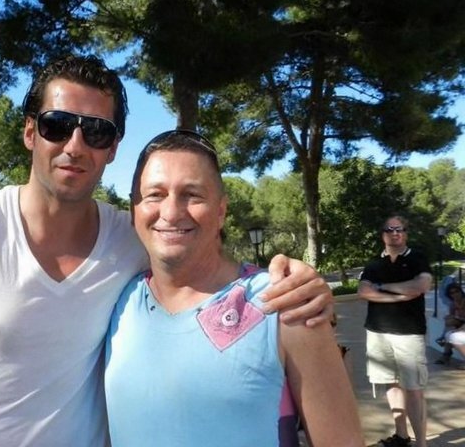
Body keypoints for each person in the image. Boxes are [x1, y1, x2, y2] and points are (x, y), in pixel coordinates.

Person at [0, 55, 334, 447]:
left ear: (112, 148)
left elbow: (204, 265)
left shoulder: (133, 238)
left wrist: (296, 283)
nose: (75, 145)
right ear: (30, 132)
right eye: (57, 125)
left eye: (96, 132)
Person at [104, 130, 363, 446]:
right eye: (155, 195)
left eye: (192, 195)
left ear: (221, 211)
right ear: (134, 210)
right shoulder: (117, 301)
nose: (171, 213)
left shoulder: (285, 302)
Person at [358, 216, 432, 447]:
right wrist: (399, 296)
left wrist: (382, 287)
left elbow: (421, 285)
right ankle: (401, 436)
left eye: (399, 229)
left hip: (409, 334)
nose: (395, 233)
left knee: (414, 389)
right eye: (389, 229)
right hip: (377, 332)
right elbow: (363, 291)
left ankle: (421, 443)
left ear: (406, 233)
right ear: (383, 234)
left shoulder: (417, 258)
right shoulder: (373, 265)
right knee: (390, 383)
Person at [434, 279, 465, 365]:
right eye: (452, 293)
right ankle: (446, 352)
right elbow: (452, 315)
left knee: (451, 333)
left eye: (457, 291)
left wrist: (460, 329)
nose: (455, 294)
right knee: (449, 322)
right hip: (461, 323)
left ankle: (446, 353)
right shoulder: (453, 303)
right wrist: (449, 318)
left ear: (461, 291)